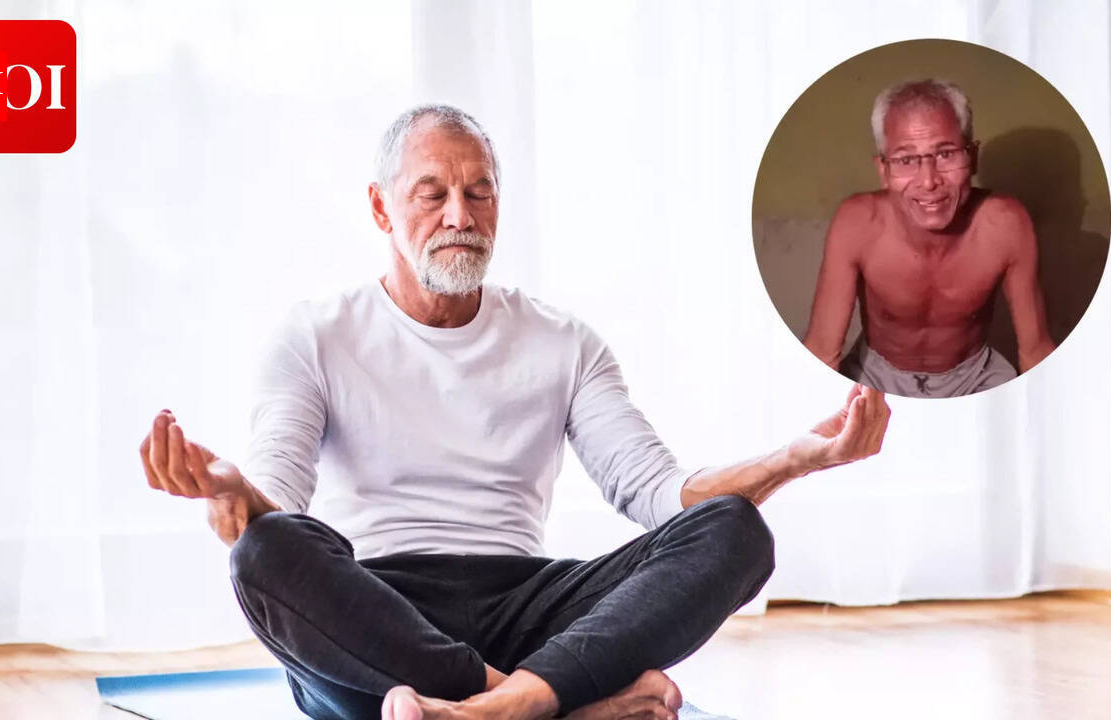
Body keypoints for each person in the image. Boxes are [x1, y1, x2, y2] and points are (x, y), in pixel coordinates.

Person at [139, 104, 891, 720]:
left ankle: (499, 702)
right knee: (266, 552)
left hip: (530, 603)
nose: (460, 215)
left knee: (733, 531)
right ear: (381, 207)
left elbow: (663, 497)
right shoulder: (314, 334)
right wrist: (235, 490)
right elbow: (280, 499)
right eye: (432, 194)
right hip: (381, 612)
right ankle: (550, 705)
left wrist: (798, 459)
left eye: (480, 192)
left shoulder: (562, 341)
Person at [802, 79, 1056, 398]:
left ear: (973, 156)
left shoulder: (1005, 223)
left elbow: (1036, 351)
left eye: (946, 154)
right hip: (874, 372)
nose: (929, 181)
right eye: (907, 160)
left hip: (976, 376)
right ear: (883, 170)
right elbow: (822, 352)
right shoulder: (858, 222)